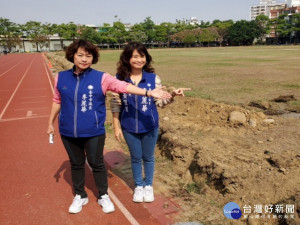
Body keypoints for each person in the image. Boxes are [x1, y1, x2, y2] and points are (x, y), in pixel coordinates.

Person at [46, 39, 171, 214]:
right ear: (72, 56)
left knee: (97, 164)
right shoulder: (61, 77)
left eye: (88, 56)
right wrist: (50, 122)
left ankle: (103, 195)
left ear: (93, 58)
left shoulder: (102, 77)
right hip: (68, 131)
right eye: (80, 55)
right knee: (76, 164)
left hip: (93, 131)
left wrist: (148, 92)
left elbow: (123, 86)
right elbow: (57, 100)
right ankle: (80, 195)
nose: (84, 59)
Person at [110, 42, 190, 203]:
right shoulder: (119, 80)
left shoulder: (154, 79)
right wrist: (116, 125)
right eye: (134, 56)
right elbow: (115, 103)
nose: (139, 60)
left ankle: (148, 186)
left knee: (148, 157)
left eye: (142, 56)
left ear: (146, 58)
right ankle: (138, 186)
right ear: (127, 58)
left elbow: (160, 103)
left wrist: (172, 95)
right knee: (135, 158)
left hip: (150, 125)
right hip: (129, 126)